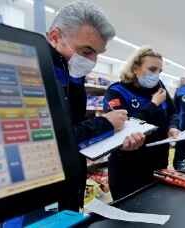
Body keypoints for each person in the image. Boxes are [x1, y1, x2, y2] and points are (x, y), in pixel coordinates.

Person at [46, 1, 145, 207]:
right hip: (41, 197)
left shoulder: (72, 73)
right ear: (55, 37)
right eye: (86, 51)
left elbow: (74, 132)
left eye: (98, 53)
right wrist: (105, 124)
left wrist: (117, 141)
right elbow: (50, 141)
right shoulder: (34, 74)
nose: (92, 61)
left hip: (71, 186)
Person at [103, 47, 180, 200]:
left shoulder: (160, 88)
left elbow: (173, 112)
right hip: (128, 169)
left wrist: (173, 127)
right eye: (152, 69)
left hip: (158, 165)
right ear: (135, 68)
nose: (156, 75)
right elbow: (124, 127)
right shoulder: (117, 91)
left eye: (159, 71)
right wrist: (153, 105)